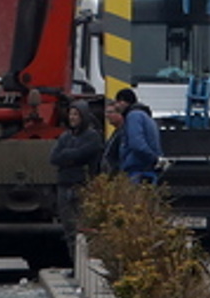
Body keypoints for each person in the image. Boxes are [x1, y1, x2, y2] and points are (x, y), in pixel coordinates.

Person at [50, 101, 105, 243]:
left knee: (84, 227)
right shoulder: (65, 137)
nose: (72, 117)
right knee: (69, 228)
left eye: (76, 114)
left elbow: (85, 153)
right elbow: (54, 157)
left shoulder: (92, 136)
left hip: (82, 185)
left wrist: (68, 155)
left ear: (84, 116)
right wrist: (72, 156)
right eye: (71, 114)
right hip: (64, 185)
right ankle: (74, 260)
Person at [109, 89, 161, 184]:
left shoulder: (133, 116)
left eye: (117, 102)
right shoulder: (145, 116)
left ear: (123, 102)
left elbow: (137, 144)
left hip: (137, 172)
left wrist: (152, 158)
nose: (116, 107)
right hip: (146, 171)